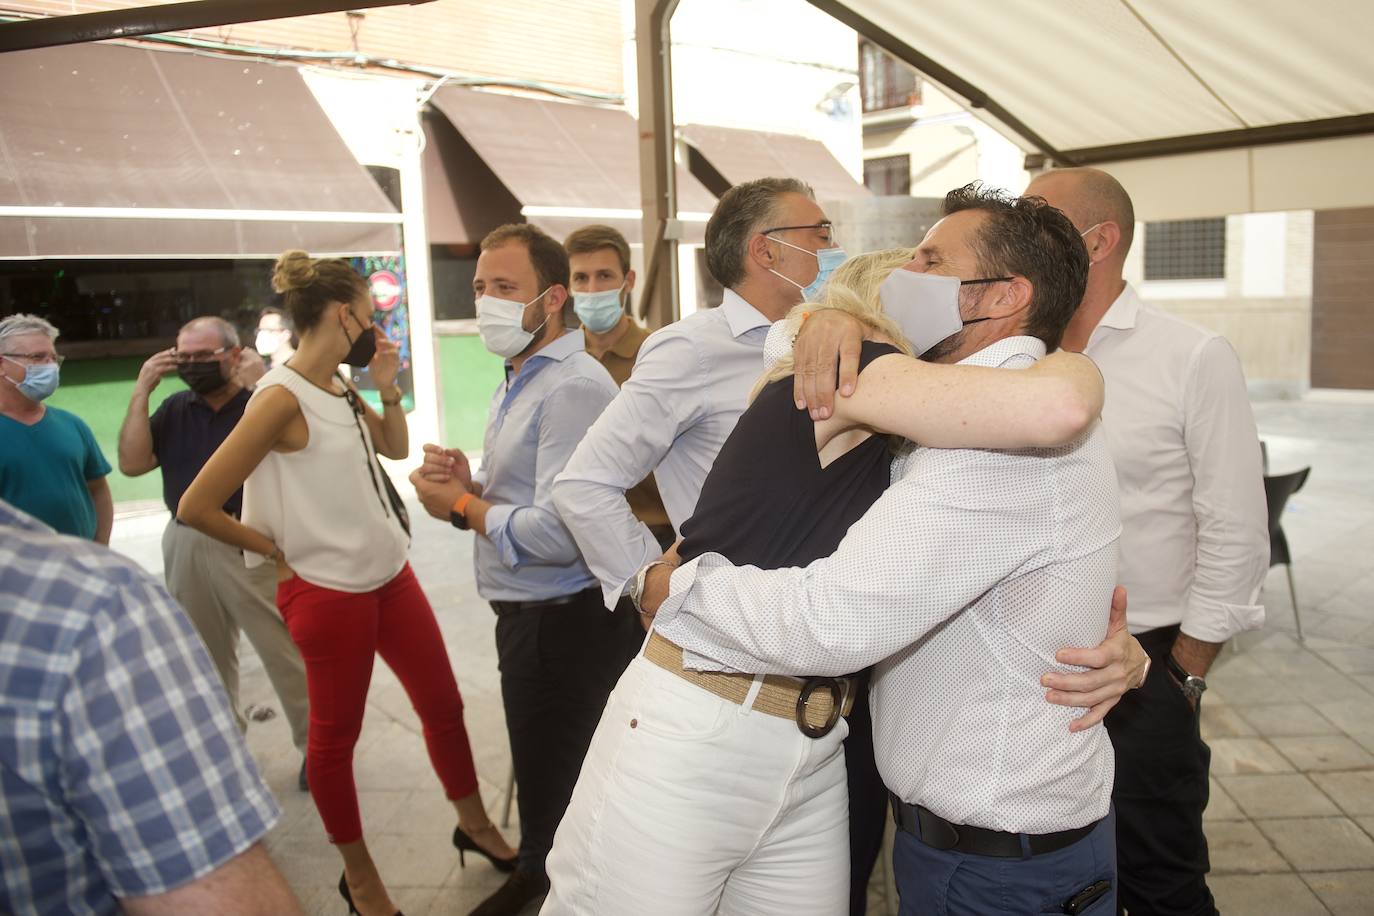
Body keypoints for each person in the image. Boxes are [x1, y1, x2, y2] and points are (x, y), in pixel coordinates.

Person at [551, 178, 1137, 914]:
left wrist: (670, 589)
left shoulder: (997, 437)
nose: (904, 273)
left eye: (929, 261)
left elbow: (833, 622)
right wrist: (823, 322)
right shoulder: (929, 404)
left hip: (950, 828)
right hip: (712, 722)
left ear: (1001, 296)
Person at [177, 250, 515, 916]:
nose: (374, 326)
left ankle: (474, 825)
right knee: (335, 742)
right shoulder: (279, 396)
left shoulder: (335, 382)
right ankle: (359, 880)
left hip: (388, 574)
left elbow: (392, 446)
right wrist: (273, 549)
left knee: (443, 705)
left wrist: (386, 386)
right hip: (327, 592)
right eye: (368, 313)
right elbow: (197, 505)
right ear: (343, 314)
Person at [1025, 166, 1269, 916]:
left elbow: (1236, 525)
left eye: (1037, 219)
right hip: (1031, 663)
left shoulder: (1191, 354)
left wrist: (1182, 676)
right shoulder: (1015, 351)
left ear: (1098, 241)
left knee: (1161, 884)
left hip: (1147, 669)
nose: (1017, 235)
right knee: (1053, 881)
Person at [409, 223, 622, 916]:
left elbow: (559, 533)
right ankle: (538, 874)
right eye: (480, 288)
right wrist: (471, 483)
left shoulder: (571, 386)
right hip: (529, 615)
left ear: (552, 298)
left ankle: (542, 886)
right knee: (542, 771)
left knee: (559, 780)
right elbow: (528, 496)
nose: (486, 303)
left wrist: (460, 505)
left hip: (562, 623)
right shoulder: (522, 374)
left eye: (505, 288)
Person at [0, 498, 303, 916]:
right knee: (222, 665)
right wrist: (270, 548)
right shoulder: (96, 607)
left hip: (234, 544)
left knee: (281, 658)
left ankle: (297, 752)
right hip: (210, 540)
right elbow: (185, 500)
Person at [117, 316, 311, 791]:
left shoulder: (261, 402)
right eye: (183, 356)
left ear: (234, 354)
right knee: (202, 656)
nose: (192, 365)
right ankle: (224, 754)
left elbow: (306, 453)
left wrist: (259, 385)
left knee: (283, 651)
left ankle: (317, 748)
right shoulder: (174, 409)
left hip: (251, 541)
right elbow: (133, 462)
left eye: (203, 355)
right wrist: (141, 391)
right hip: (187, 540)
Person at [564, 224, 674, 552]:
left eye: (604, 276)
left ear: (629, 281)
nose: (592, 289)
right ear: (568, 286)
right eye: (581, 278)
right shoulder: (560, 360)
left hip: (655, 530)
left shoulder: (660, 355)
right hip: (579, 530)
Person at [0, 313, 113, 544]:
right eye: (38, 357)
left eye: (53, 358)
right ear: (2, 365)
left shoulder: (72, 425)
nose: (50, 366)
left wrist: (100, 547)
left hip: (79, 558)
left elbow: (99, 490)